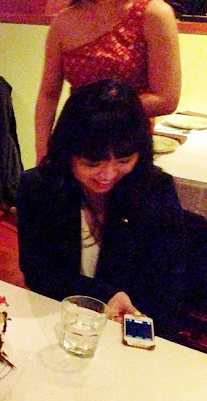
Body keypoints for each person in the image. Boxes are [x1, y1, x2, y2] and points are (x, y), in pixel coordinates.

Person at [18, 79, 186, 341]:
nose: (107, 175)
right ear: (67, 153)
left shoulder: (155, 191)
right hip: (56, 322)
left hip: (127, 333)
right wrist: (104, 295)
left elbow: (167, 283)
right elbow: (37, 271)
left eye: (124, 160)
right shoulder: (39, 187)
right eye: (92, 163)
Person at [34, 0, 181, 163]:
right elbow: (48, 94)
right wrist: (42, 152)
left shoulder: (154, 14)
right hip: (76, 143)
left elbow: (166, 99)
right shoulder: (63, 21)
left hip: (127, 147)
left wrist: (94, 112)